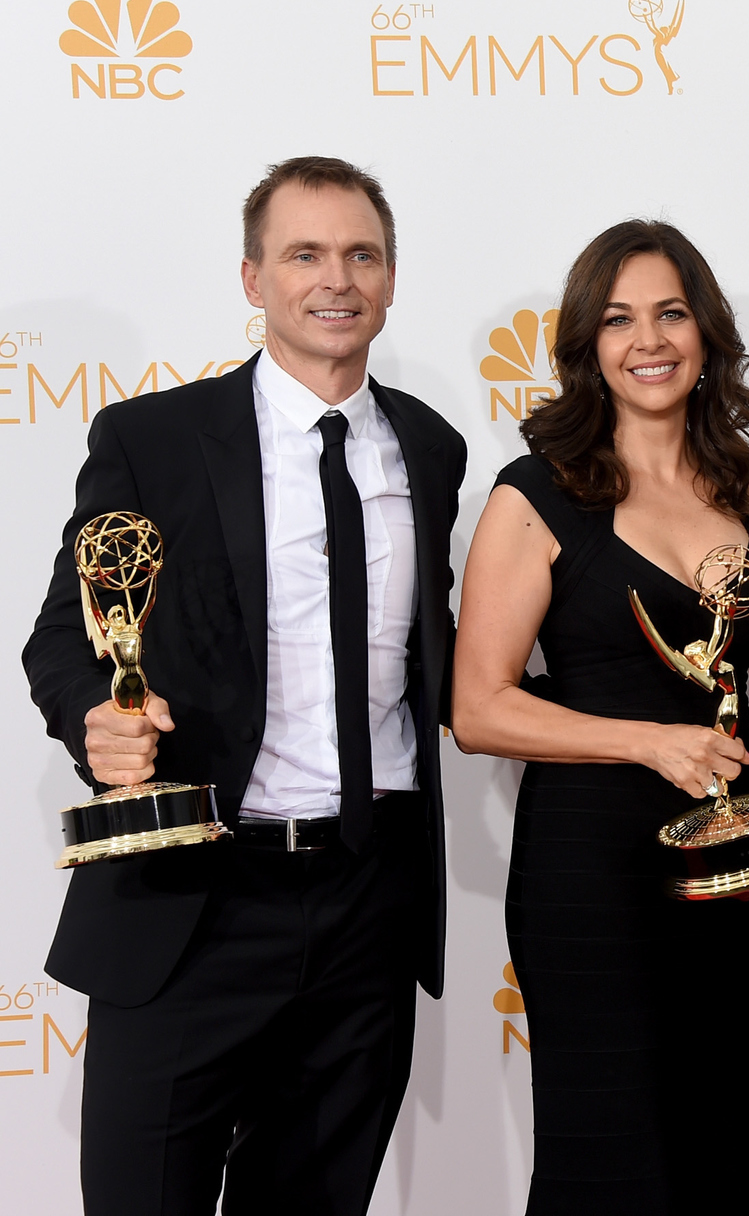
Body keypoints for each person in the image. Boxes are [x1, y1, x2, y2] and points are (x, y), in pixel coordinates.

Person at [21, 156, 466, 1215]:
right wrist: (96, 720)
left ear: (392, 278)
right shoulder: (154, 439)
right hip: (196, 894)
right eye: (303, 253)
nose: (336, 279)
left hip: (367, 896)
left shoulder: (432, 449)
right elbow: (62, 635)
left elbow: (434, 653)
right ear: (252, 277)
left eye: (362, 253)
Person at [451, 219, 749, 1215]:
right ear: (586, 345)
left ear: (704, 334)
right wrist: (647, 742)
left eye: (669, 313)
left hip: (717, 874)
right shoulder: (537, 493)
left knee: (713, 1134)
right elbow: (477, 708)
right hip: (586, 870)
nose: (647, 340)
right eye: (617, 319)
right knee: (609, 1148)